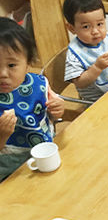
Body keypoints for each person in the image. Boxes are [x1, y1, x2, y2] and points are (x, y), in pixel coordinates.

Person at [0, 17, 64, 181]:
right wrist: (2, 135)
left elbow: (52, 115)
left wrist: (57, 110)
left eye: (12, 65)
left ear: (28, 63)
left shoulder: (38, 84)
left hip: (45, 150)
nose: (3, 74)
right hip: (10, 168)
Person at [63, 0, 108, 102]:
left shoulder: (107, 38)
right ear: (72, 28)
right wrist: (97, 68)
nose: (95, 31)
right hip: (96, 102)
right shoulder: (74, 54)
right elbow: (79, 83)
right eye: (86, 26)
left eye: (99, 24)